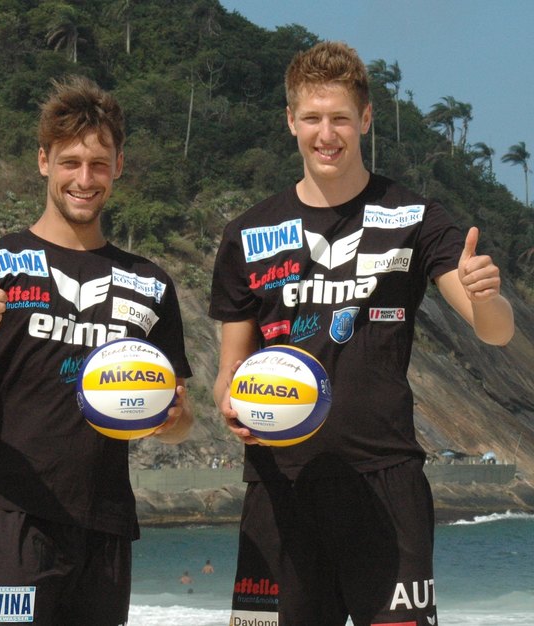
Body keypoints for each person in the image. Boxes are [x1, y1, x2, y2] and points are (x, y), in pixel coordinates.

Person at [209, 41, 514, 626]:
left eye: (342, 118)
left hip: (386, 482)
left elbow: (492, 331)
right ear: (291, 121)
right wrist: (229, 404)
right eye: (315, 118)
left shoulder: (415, 217)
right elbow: (231, 369)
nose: (328, 134)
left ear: (366, 120)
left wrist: (487, 296)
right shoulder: (247, 233)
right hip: (281, 486)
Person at [0, 75, 194, 626]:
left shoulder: (151, 283)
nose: (84, 179)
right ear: (43, 161)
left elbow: (181, 419)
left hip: (106, 522)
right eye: (69, 162)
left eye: (98, 164)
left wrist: (175, 418)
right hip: (9, 516)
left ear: (118, 168)